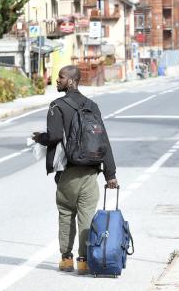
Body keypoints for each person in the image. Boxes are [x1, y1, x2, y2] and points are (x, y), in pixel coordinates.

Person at [32, 65, 118, 275]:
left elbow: (53, 137)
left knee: (66, 213)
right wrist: (111, 174)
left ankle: (66, 259)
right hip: (91, 173)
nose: (56, 80)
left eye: (60, 77)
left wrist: (39, 138)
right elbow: (102, 140)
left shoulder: (57, 106)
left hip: (68, 172)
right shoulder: (92, 106)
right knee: (86, 217)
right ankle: (84, 261)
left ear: (71, 81)